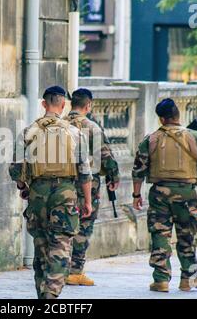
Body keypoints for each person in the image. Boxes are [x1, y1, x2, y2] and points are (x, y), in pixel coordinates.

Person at [9, 86, 93, 299]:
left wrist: (24, 188)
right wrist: (88, 202)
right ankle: (51, 294)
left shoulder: (28, 132)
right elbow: (84, 173)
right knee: (61, 247)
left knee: (41, 248)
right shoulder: (75, 133)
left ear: (44, 104)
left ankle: (43, 294)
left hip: (37, 194)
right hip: (65, 194)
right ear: (63, 105)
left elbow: (16, 170)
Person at [132, 98, 197, 293]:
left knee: (160, 235)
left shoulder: (151, 139)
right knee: (186, 236)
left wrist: (136, 194)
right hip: (186, 194)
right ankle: (188, 279)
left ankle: (161, 280)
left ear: (161, 119)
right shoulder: (196, 137)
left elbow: (138, 170)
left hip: (159, 194)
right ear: (178, 115)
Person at [63, 88, 120, 286]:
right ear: (88, 105)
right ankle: (75, 271)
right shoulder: (91, 127)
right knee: (84, 225)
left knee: (61, 225)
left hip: (61, 183)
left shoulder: (58, 124)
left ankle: (58, 268)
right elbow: (105, 156)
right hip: (88, 184)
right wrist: (114, 175)